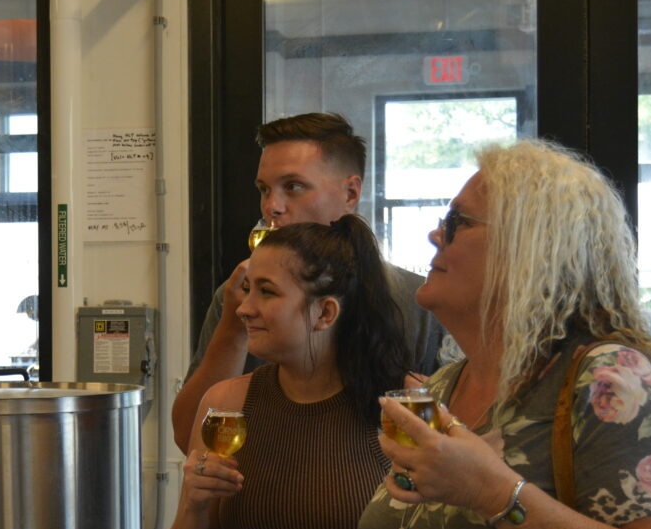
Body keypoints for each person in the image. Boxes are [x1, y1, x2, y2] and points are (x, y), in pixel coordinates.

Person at [349, 140, 651, 529]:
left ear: (531, 247)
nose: (435, 235)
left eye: (457, 222)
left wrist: (493, 491)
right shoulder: (444, 386)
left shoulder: (607, 380)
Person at [165, 215, 412, 529]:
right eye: (247, 290)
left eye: (267, 292)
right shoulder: (226, 404)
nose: (243, 308)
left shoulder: (404, 407)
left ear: (325, 313)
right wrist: (194, 506)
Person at [171, 112, 446, 455]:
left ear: (350, 193)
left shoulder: (416, 301)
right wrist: (232, 327)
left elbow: (447, 439)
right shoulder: (239, 299)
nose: (272, 207)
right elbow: (189, 437)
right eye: (264, 190)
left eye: (293, 187)